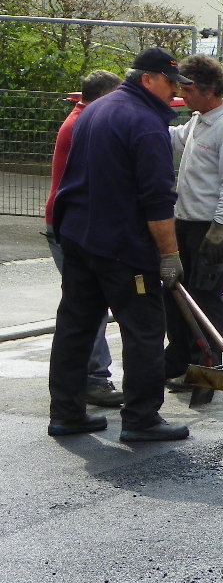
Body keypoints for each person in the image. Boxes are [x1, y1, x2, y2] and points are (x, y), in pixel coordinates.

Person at [47, 48, 192, 442]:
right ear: (148, 79)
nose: (175, 91)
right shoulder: (145, 123)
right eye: (170, 82)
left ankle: (66, 413)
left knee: (76, 327)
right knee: (144, 329)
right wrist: (170, 255)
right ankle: (142, 419)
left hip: (79, 238)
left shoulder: (94, 109)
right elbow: (157, 199)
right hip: (122, 248)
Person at [163, 55, 223, 391]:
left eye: (188, 90)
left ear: (209, 89)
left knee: (204, 298)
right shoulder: (200, 120)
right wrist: (144, 121)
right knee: (176, 296)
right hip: (184, 223)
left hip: (208, 227)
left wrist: (219, 228)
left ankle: (206, 368)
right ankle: (180, 361)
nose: (182, 96)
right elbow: (175, 139)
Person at [43, 70, 124, 407]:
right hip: (72, 225)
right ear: (104, 97)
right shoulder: (84, 125)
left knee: (84, 307)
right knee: (88, 308)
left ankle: (81, 382)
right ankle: (92, 379)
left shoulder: (82, 119)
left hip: (69, 222)